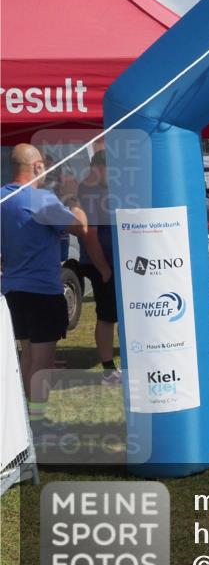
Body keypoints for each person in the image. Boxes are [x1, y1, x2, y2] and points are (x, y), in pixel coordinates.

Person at [1, 144, 105, 434]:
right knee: (43, 360)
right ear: (36, 167)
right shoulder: (39, 200)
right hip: (42, 290)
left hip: (12, 288)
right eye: (43, 167)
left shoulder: (3, 197)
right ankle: (37, 424)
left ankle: (25, 419)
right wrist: (72, 197)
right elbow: (81, 226)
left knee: (27, 354)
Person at [76, 150, 122, 386]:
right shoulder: (90, 192)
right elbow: (89, 234)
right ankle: (108, 370)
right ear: (99, 168)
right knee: (107, 315)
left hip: (113, 261)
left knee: (115, 314)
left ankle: (115, 366)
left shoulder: (101, 190)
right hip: (102, 263)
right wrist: (104, 269)